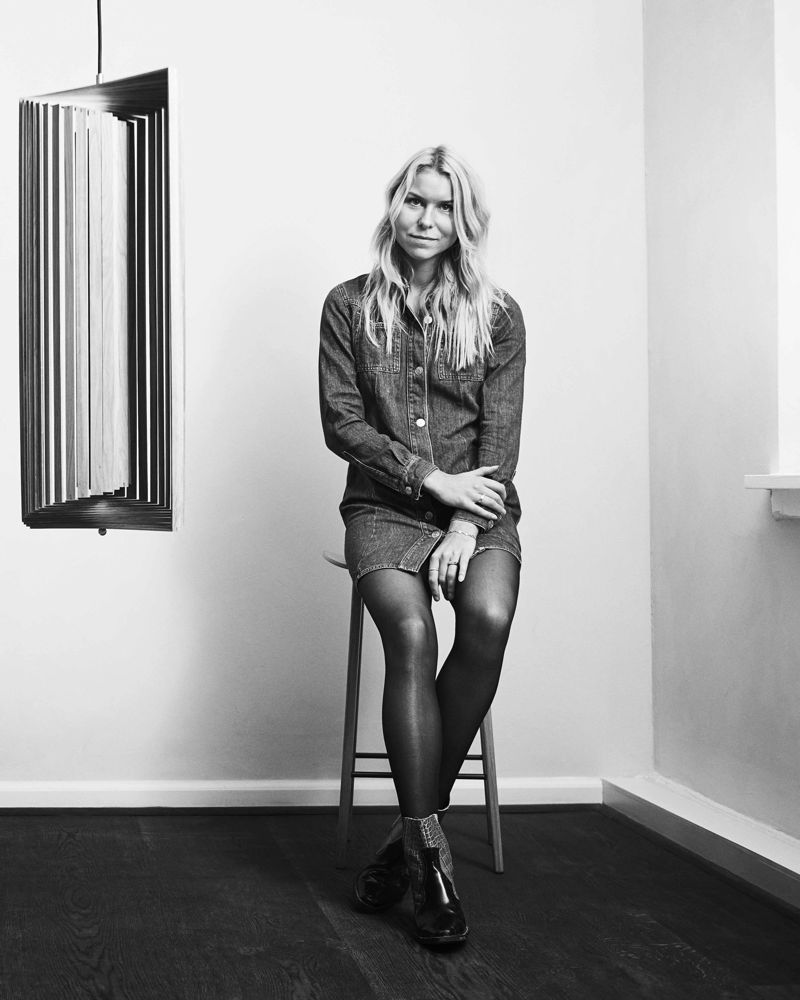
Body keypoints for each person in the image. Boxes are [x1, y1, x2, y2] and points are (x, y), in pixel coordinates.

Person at [318, 145, 525, 947]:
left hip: (479, 507)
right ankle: (432, 860)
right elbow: (343, 423)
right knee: (411, 632)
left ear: (463, 220)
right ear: (394, 204)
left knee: (488, 619)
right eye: (416, 201)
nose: (427, 219)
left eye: (444, 207)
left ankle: (405, 838)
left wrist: (466, 523)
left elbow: (499, 439)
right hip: (383, 505)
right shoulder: (348, 305)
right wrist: (430, 481)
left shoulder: (498, 315)